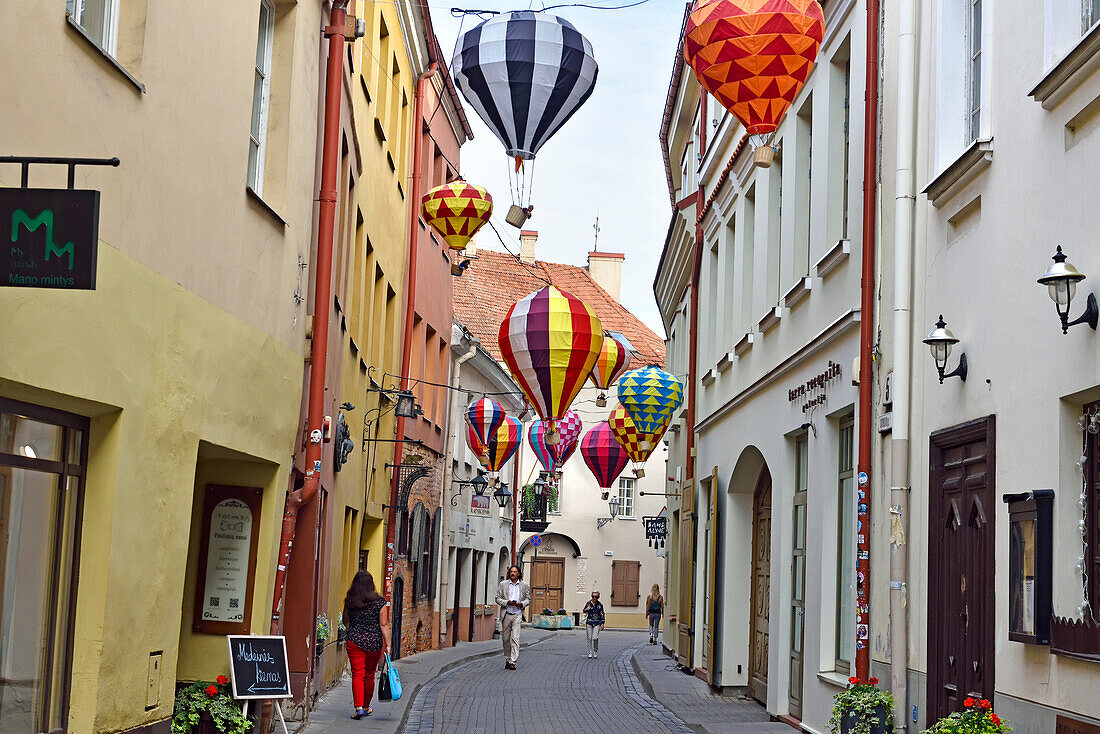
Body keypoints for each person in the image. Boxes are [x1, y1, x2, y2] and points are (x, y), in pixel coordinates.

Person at [343, 570, 390, 719]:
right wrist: (388, 644)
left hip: (355, 641)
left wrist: (354, 632)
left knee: (357, 674)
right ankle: (366, 706)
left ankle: (358, 708)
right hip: (374, 643)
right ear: (371, 584)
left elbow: (346, 621)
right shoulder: (380, 602)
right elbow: (384, 624)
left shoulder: (350, 601)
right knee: (369, 675)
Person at [494, 565, 531, 670]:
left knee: (515, 638)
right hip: (507, 613)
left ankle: (513, 661)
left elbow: (528, 599)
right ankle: (507, 658)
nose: (513, 573)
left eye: (515, 572)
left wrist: (521, 604)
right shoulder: (503, 584)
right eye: (511, 572)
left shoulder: (524, 585)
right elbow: (497, 598)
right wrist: (507, 602)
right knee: (505, 639)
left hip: (517, 614)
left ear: (518, 573)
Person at [582, 591, 606, 658]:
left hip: (597, 623)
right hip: (589, 622)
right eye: (593, 596)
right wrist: (587, 609)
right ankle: (590, 652)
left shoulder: (600, 605)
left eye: (596, 597)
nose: (594, 598)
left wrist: (602, 623)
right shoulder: (588, 603)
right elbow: (584, 610)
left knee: (595, 638)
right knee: (589, 638)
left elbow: (602, 614)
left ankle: (595, 651)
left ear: (598, 597)